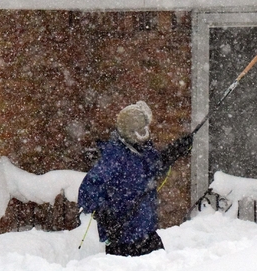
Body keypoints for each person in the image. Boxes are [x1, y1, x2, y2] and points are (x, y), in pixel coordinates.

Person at [78, 101, 193, 257]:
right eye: (141, 131)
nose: (145, 134)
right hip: (123, 239)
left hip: (145, 230)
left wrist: (174, 151)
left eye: (146, 129)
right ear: (129, 132)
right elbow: (87, 190)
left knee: (162, 269)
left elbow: (154, 166)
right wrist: (105, 215)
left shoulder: (142, 150)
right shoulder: (114, 158)